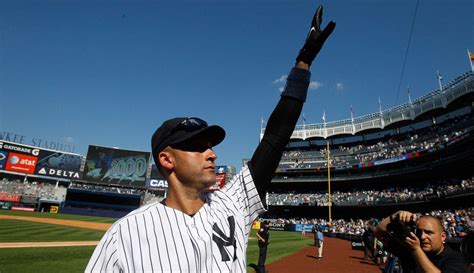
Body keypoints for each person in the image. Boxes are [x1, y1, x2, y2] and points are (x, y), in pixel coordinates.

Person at [85, 5, 335, 273]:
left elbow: (276, 137)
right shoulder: (125, 235)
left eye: (211, 146)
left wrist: (304, 60)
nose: (212, 154)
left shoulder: (233, 203)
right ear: (167, 159)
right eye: (197, 147)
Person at [374, 210, 469, 273]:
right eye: (419, 232)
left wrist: (416, 250)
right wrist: (394, 216)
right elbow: (379, 233)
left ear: (443, 236)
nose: (423, 237)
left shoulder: (457, 258)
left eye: (429, 232)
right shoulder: (408, 250)